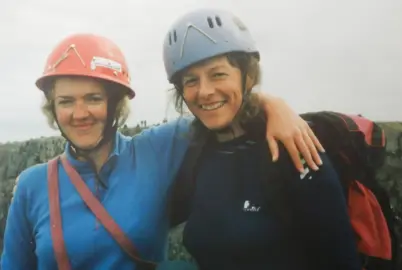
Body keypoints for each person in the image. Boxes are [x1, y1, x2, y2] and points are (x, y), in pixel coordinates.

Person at [0, 33, 324, 270]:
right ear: (52, 109)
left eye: (94, 98)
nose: (80, 112)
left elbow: (212, 106)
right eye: (66, 101)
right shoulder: (33, 185)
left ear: (115, 104)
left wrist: (273, 105)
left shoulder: (154, 151)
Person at [164, 9, 362, 270]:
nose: (205, 92)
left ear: (247, 76)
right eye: (191, 81)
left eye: (218, 74)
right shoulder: (196, 152)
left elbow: (341, 260)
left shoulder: (294, 149)